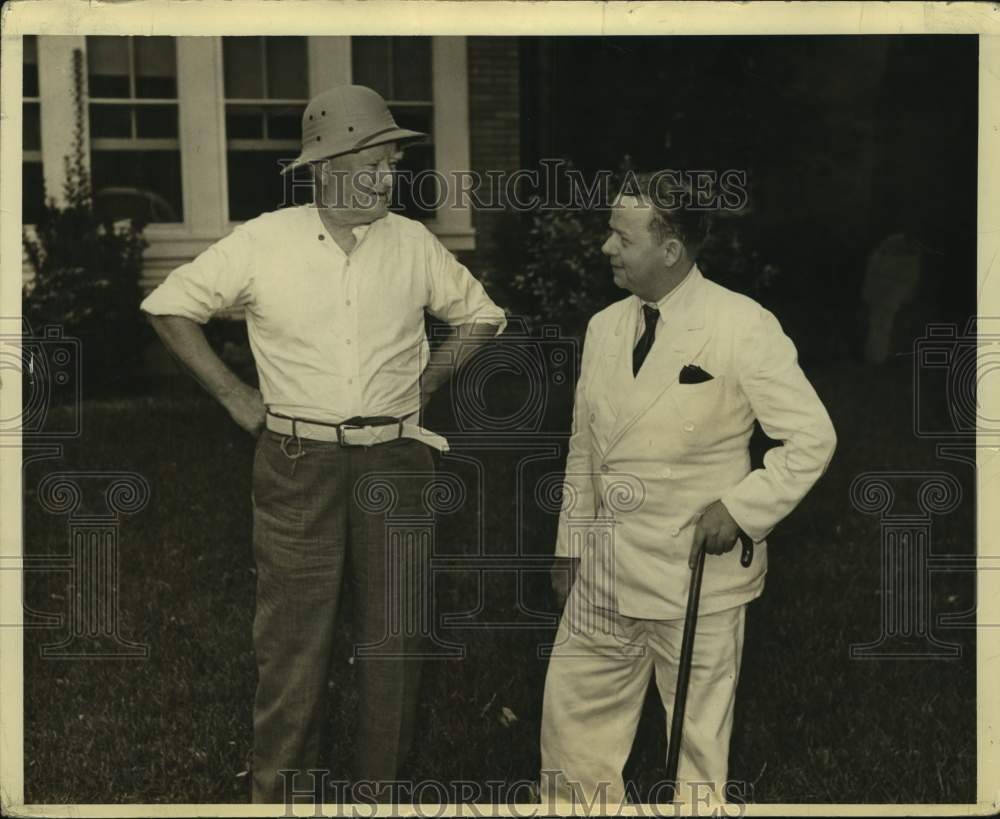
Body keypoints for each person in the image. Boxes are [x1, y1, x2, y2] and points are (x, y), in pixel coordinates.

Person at [140, 84, 506, 804]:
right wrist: (236, 396)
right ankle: (282, 798)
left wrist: (424, 384)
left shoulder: (411, 242)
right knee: (292, 645)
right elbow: (168, 306)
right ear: (326, 167)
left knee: (394, 641)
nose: (388, 177)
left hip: (397, 463)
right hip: (297, 463)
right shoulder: (264, 241)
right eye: (373, 163)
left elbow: (482, 316)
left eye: (392, 163)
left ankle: (378, 797)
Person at [539, 171, 836, 809]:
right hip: (604, 571)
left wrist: (741, 508)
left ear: (670, 249)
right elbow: (584, 448)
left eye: (622, 237)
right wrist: (569, 548)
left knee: (697, 754)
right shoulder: (604, 327)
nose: (606, 248)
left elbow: (812, 438)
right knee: (573, 742)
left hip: (694, 575)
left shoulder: (741, 324)